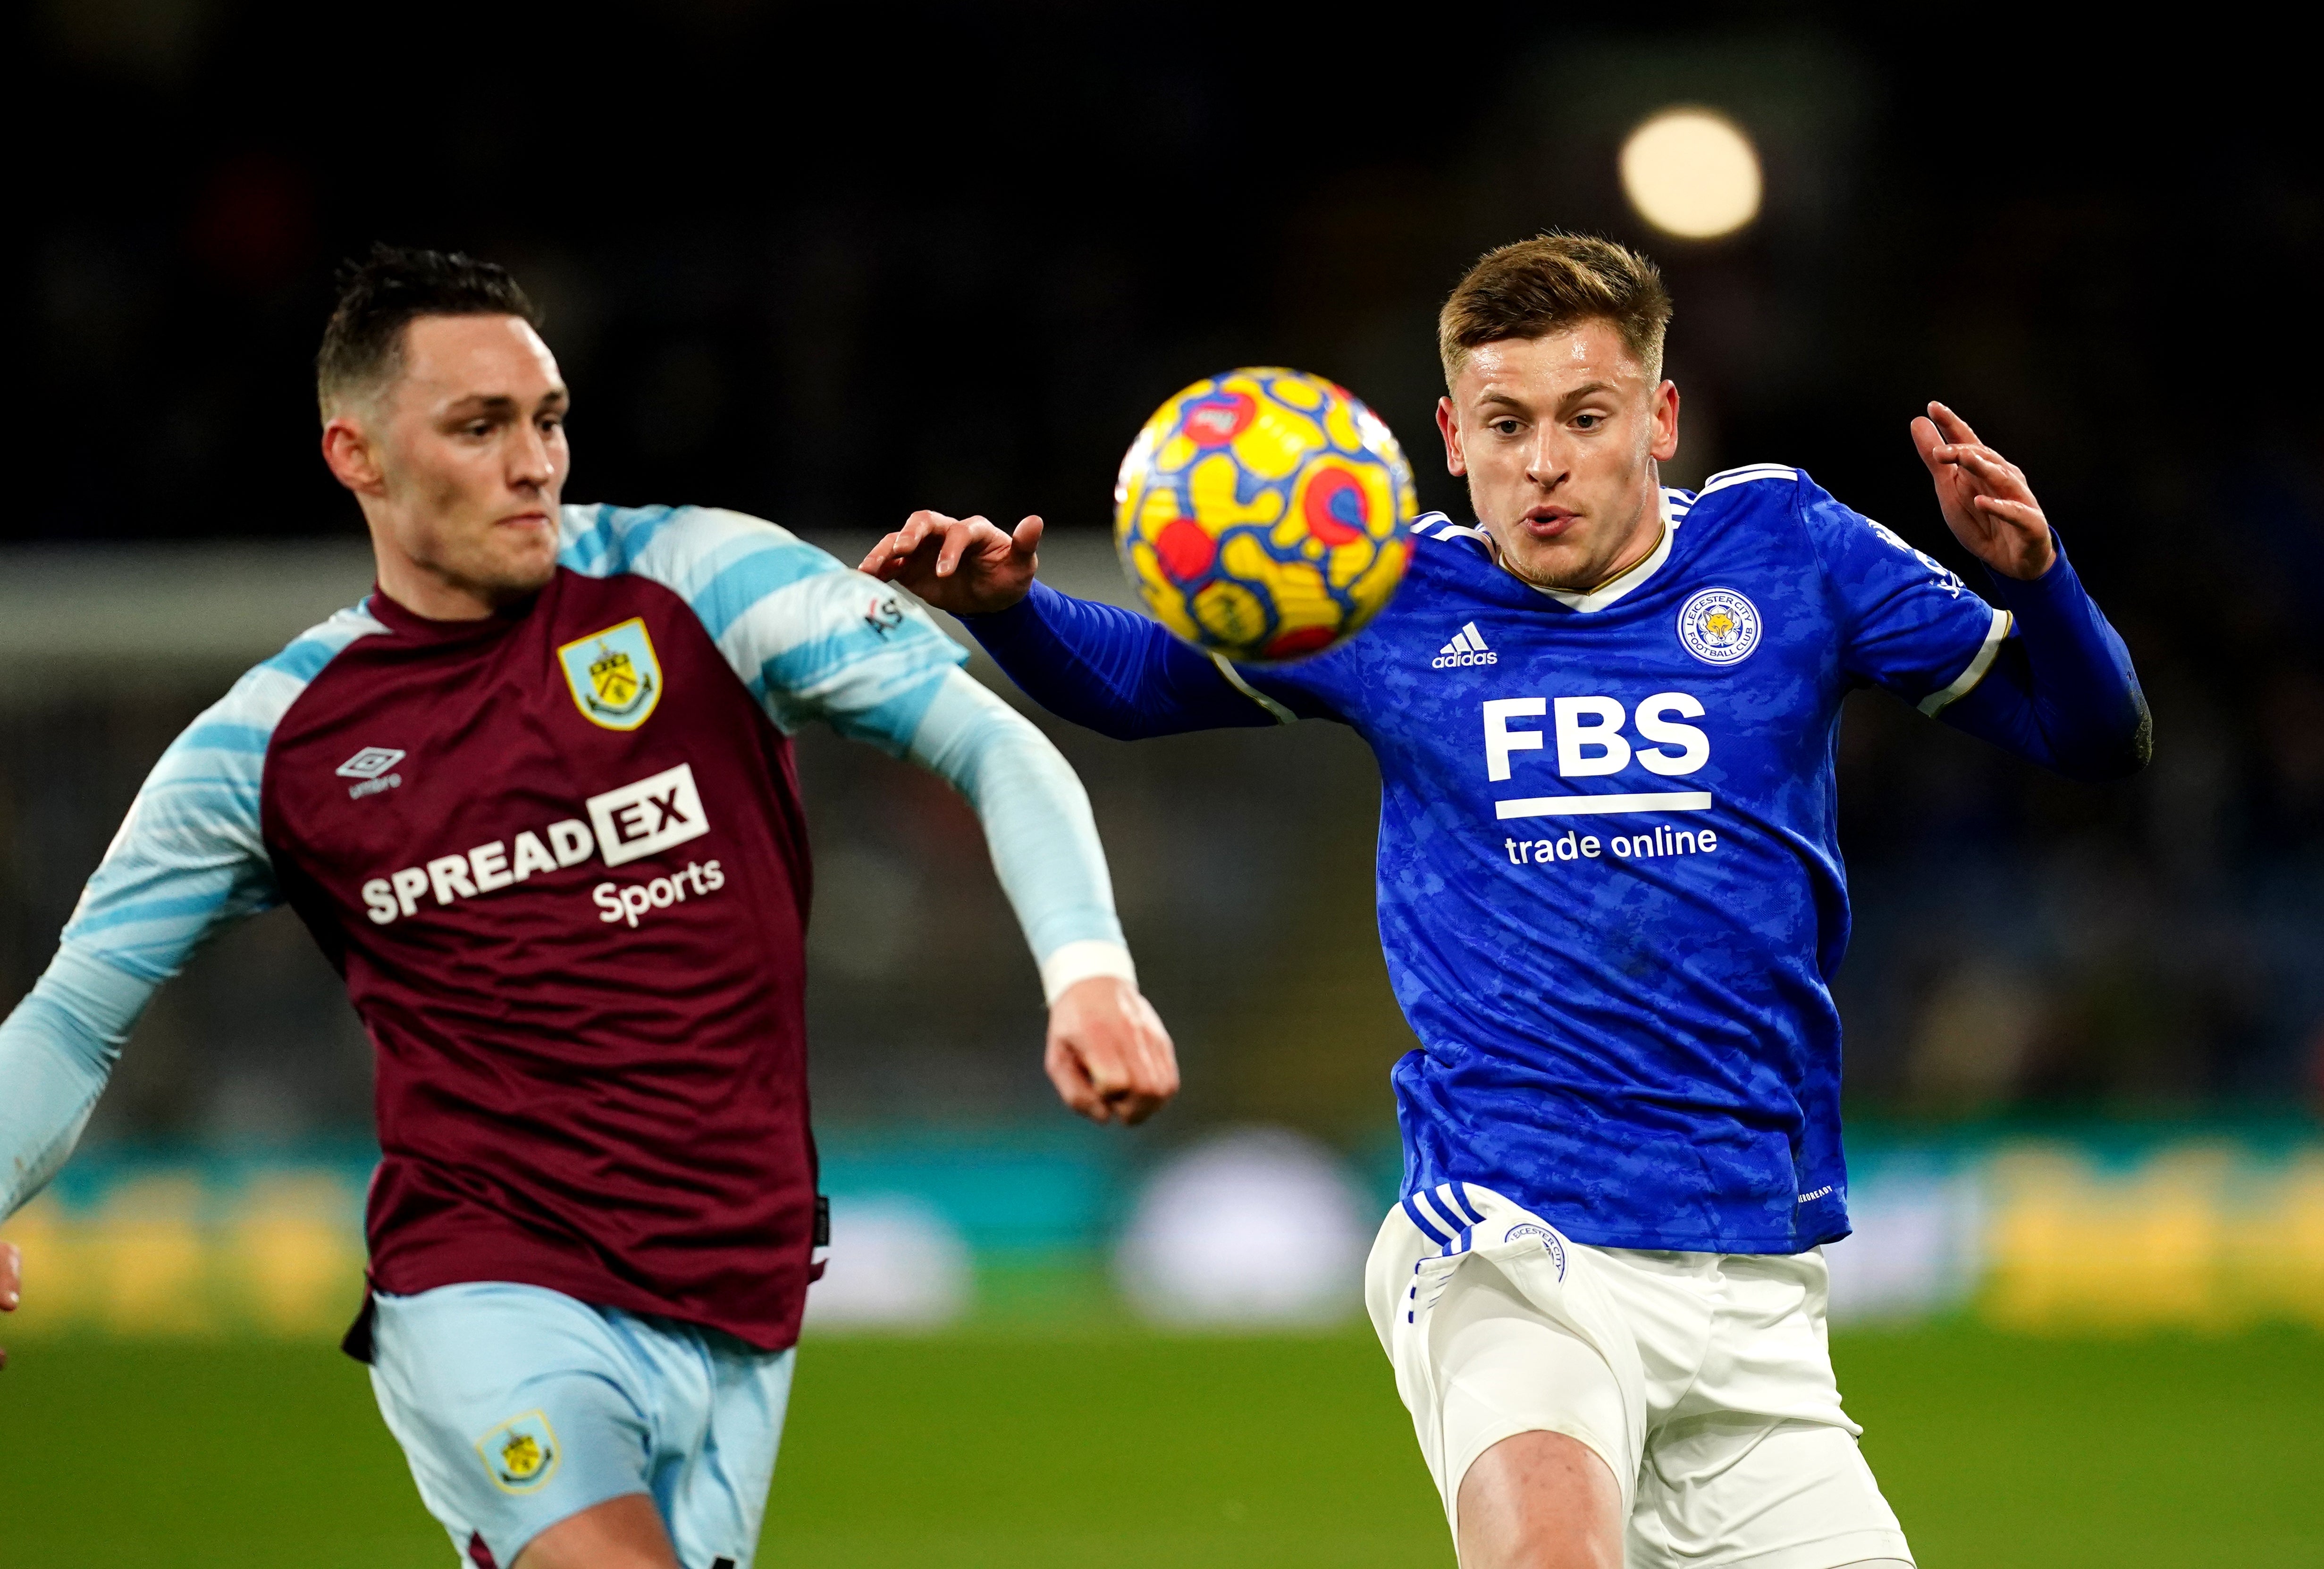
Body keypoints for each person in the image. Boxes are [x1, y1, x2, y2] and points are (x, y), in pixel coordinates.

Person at [860, 233, 2148, 1569]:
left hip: (1748, 1275)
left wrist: (2038, 581)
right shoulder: (1391, 593)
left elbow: (2092, 735)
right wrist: (1011, 614)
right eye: (1504, 424)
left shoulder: (1788, 547)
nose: (1542, 462)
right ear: (1447, 434)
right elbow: (1143, 687)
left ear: (1656, 417)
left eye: (1584, 418)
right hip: (1508, 1232)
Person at [0, 244, 1179, 1569]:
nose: (533, 464)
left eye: (547, 419)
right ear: (358, 455)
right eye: (479, 426)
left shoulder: (700, 579)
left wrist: (1088, 971)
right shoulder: (269, 746)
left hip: (736, 1281)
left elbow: (992, 745)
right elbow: (73, 1013)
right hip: (480, 1277)